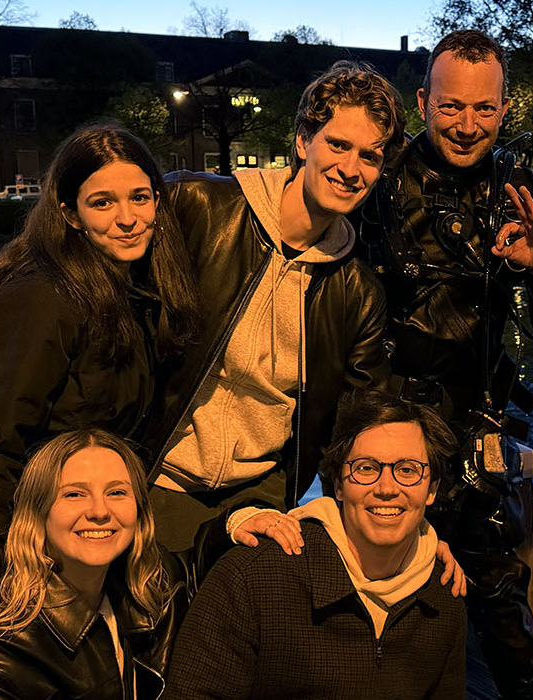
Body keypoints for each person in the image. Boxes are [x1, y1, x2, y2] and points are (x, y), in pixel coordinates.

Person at [0, 123, 202, 695]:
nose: (127, 218)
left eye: (140, 197)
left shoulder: (134, 290)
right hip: (20, 536)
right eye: (103, 202)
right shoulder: (39, 296)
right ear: (69, 213)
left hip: (76, 529)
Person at [351, 29, 533, 699]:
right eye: (451, 106)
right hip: (379, 427)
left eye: (484, 109)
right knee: (373, 605)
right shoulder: (373, 181)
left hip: (480, 430)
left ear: (506, 107)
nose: (466, 125)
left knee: (503, 606)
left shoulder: (523, 192)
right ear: (423, 101)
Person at [140, 60, 403, 557]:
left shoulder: (357, 291)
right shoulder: (197, 205)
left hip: (258, 494)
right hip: (155, 475)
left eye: (370, 156)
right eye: (338, 145)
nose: (350, 169)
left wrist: (404, 537)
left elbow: (359, 425)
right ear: (304, 141)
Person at [164, 390, 467, 700]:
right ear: (338, 484)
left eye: (407, 470)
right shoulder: (255, 577)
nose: (387, 488)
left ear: (431, 490)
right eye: (366, 468)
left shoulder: (445, 596)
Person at [0, 428, 182, 700]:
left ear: (139, 509)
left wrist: (230, 523)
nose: (99, 511)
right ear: (37, 514)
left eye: (117, 492)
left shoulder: (148, 585)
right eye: (74, 494)